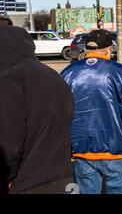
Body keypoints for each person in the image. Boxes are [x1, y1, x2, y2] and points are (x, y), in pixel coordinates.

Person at [61, 29, 122, 194]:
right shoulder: (121, 72)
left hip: (82, 148)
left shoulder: (68, 73)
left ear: (87, 49)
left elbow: (60, 112)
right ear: (109, 49)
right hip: (116, 147)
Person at [0, 23, 74, 194]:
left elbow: (8, 144)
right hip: (61, 176)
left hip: (25, 182)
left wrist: (8, 175)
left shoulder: (10, 81)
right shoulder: (52, 76)